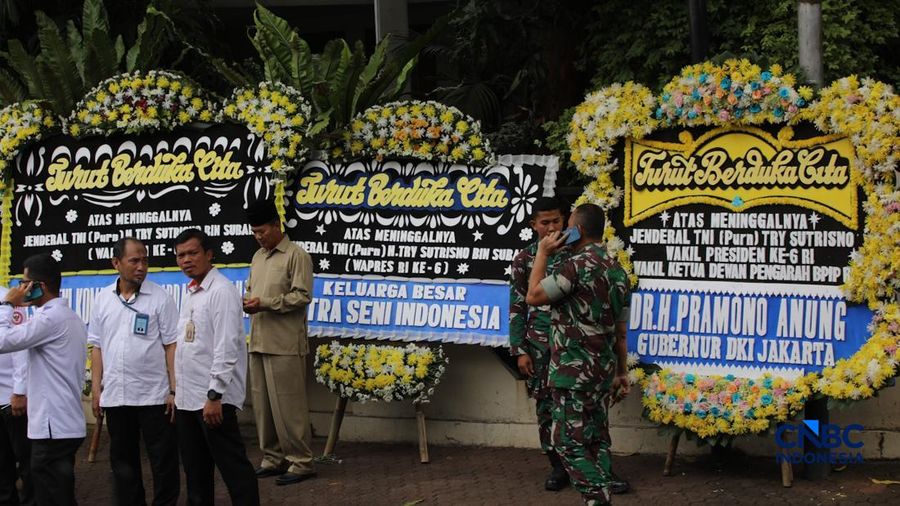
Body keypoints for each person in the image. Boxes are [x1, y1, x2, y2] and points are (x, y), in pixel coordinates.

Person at [526, 204, 631, 506]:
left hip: (572, 372)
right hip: (602, 371)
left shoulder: (575, 266)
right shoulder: (618, 271)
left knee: (567, 443)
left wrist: (543, 253)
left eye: (568, 225)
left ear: (579, 230)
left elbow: (533, 296)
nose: (562, 231)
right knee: (596, 439)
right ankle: (602, 493)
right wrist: (621, 372)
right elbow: (621, 331)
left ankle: (598, 498)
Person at [88, 238, 180, 506]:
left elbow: (172, 346)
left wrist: (174, 390)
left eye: (145, 260)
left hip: (154, 397)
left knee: (163, 461)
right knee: (123, 463)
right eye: (134, 261)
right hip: (116, 396)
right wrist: (96, 390)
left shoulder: (160, 298)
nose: (141, 267)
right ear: (116, 263)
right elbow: (97, 347)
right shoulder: (103, 298)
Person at [172, 229, 259, 506]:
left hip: (212, 400)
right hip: (187, 399)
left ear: (209, 254)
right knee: (196, 472)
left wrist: (214, 395)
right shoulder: (192, 292)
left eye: (192, 253)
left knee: (233, 468)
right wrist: (176, 392)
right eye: (181, 255)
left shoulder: (221, 291)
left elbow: (226, 347)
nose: (186, 260)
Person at [0, 253, 87, 506]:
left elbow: (3, 341)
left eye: (25, 283)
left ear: (40, 286)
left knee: (51, 496)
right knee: (56, 494)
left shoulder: (51, 319)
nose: (20, 289)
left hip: (53, 427)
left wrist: (8, 305)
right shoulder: (62, 316)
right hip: (59, 424)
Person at [242, 199, 316, 486]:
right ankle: (273, 458)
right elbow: (253, 291)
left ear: (277, 225)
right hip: (259, 339)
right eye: (254, 232)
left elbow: (302, 296)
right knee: (263, 407)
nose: (258, 237)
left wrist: (265, 303)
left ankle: (301, 462)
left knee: (289, 407)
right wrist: (249, 303)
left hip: (285, 343)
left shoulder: (297, 255)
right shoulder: (257, 257)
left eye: (262, 231)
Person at [509, 197, 568, 490]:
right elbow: (517, 306)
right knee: (546, 408)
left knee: (580, 409)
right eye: (545, 222)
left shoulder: (577, 252)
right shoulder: (524, 259)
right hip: (540, 347)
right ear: (534, 225)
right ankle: (557, 466)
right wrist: (520, 350)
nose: (552, 227)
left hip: (573, 346)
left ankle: (592, 466)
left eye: (556, 220)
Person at [0, 286, 32, 505]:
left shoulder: (8, 298)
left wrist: (19, 390)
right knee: (2, 468)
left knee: (26, 463)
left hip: (10, 400)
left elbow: (20, 345)